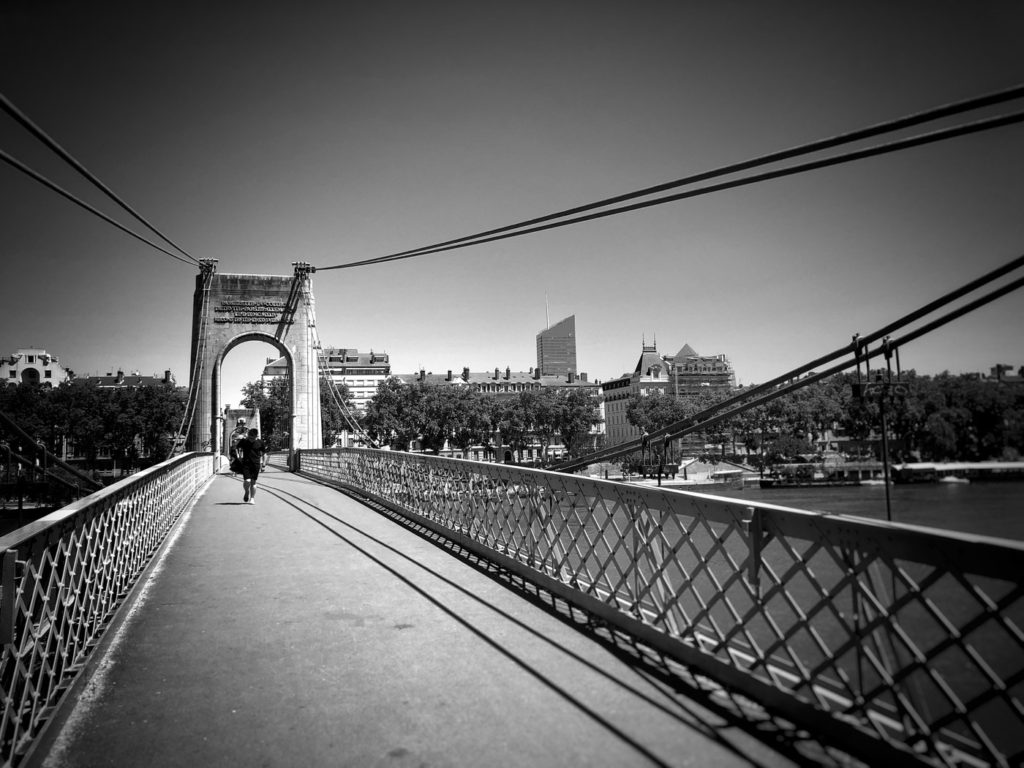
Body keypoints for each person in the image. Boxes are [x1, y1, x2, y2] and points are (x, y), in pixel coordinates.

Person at [235, 428, 267, 504]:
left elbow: (264, 454)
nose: (251, 439)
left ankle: (252, 498)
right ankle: (246, 492)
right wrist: (238, 457)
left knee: (253, 482)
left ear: (256, 436)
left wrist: (264, 465)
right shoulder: (244, 441)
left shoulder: (260, 442)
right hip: (246, 464)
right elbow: (236, 448)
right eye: (249, 437)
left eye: (253, 438)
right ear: (248, 435)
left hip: (256, 465)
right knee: (247, 481)